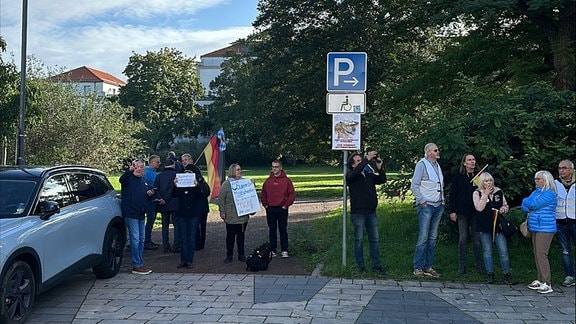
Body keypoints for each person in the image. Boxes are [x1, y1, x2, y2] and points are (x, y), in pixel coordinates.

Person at [346, 151, 387, 274]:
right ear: (353, 165)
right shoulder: (351, 175)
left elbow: (382, 180)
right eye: (358, 161)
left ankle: (376, 266)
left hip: (371, 212)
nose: (362, 163)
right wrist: (367, 158)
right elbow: (356, 172)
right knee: (358, 240)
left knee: (374, 239)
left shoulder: (368, 174)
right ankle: (360, 266)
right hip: (358, 212)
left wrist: (380, 168)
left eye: (361, 160)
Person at [472, 172, 516, 285]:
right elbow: (479, 208)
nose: (489, 183)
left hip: (498, 225)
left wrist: (503, 210)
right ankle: (490, 274)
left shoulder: (499, 192)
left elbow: (506, 205)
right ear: (482, 182)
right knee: (487, 251)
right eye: (486, 181)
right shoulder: (477, 193)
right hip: (484, 225)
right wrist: (485, 194)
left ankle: (506, 274)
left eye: (490, 180)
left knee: (503, 251)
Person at [411, 143, 444, 278]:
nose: (438, 152)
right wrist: (422, 201)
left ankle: (429, 266)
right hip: (427, 206)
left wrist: (442, 201)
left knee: (432, 237)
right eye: (436, 150)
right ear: (429, 152)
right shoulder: (422, 165)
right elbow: (414, 185)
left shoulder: (437, 165)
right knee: (423, 237)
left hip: (438, 205)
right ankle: (418, 267)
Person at [522, 170, 557, 294]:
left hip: (545, 227)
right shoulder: (536, 192)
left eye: (539, 179)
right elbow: (525, 206)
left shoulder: (550, 194)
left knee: (542, 254)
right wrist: (528, 203)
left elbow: (533, 204)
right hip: (536, 226)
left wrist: (528, 203)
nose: (536, 181)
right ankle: (540, 278)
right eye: (536, 179)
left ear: (546, 180)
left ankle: (547, 282)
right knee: (537, 253)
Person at [449, 154, 483, 275]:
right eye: (469, 160)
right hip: (462, 211)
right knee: (463, 238)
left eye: (473, 159)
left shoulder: (480, 176)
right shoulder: (459, 177)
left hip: (476, 212)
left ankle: (479, 265)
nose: (472, 162)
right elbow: (453, 194)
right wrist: (452, 211)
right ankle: (462, 265)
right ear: (464, 163)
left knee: (476, 240)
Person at [120, 160, 155, 275]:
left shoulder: (143, 181)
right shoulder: (128, 179)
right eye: (136, 167)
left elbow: (145, 196)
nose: (139, 169)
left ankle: (139, 262)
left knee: (142, 239)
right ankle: (137, 264)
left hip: (141, 214)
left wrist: (150, 195)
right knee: (135, 239)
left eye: (141, 167)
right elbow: (122, 180)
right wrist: (129, 171)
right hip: (131, 213)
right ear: (133, 168)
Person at [172, 163, 211, 268]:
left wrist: (197, 185)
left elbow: (203, 194)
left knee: (191, 238)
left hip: (193, 214)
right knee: (183, 239)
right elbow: (173, 194)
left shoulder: (196, 187)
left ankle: (189, 260)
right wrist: (175, 185)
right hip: (182, 214)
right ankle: (183, 260)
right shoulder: (180, 187)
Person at [261, 159, 296, 258]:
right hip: (271, 208)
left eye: (276, 167)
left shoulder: (286, 181)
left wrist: (286, 205)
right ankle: (273, 249)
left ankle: (284, 250)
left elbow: (292, 194)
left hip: (282, 208)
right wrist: (266, 205)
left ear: (281, 168)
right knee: (272, 229)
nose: (274, 169)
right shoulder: (268, 181)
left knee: (283, 229)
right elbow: (263, 194)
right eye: (273, 167)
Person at [218, 164, 252, 263]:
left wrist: (252, 184)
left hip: (242, 215)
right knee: (230, 236)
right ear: (232, 171)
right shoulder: (226, 184)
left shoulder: (245, 182)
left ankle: (241, 254)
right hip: (231, 215)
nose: (239, 171)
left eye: (240, 169)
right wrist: (222, 211)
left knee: (241, 236)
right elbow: (221, 199)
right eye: (237, 170)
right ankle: (229, 255)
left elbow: (250, 195)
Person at [180, 153, 209, 250]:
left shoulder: (199, 178)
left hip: (200, 207)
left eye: (186, 160)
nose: (184, 162)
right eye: (183, 160)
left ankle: (199, 244)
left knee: (200, 226)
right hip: (190, 207)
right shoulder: (181, 174)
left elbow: (205, 192)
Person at [554, 160, 575, 287]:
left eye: (564, 168)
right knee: (565, 250)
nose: (561, 171)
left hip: (575, 221)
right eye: (559, 168)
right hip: (561, 221)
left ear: (571, 170)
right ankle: (570, 275)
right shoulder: (556, 184)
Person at [154, 159, 179, 253]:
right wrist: (167, 199)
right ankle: (176, 245)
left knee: (165, 225)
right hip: (174, 203)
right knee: (177, 225)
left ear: (164, 166)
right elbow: (174, 189)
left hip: (162, 204)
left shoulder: (159, 176)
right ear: (173, 165)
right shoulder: (177, 175)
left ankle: (166, 245)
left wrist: (161, 199)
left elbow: (155, 188)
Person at [143, 155, 161, 250]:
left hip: (149, 200)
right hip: (150, 200)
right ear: (151, 162)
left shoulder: (151, 172)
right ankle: (146, 241)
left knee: (147, 221)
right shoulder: (148, 172)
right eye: (157, 162)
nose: (159, 164)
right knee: (150, 221)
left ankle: (146, 240)